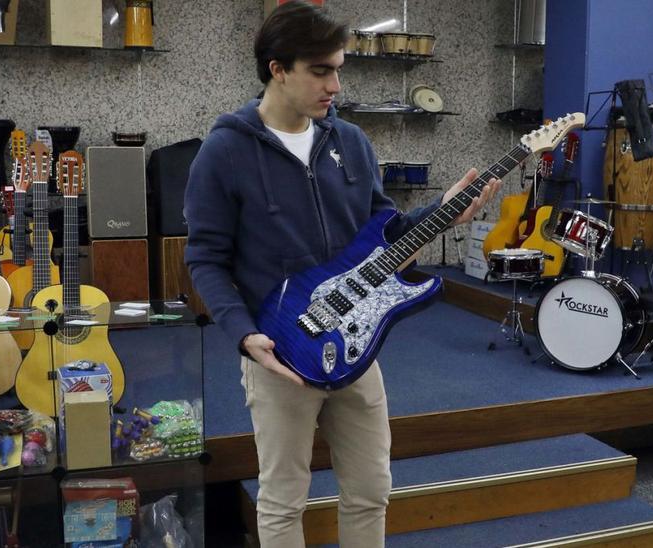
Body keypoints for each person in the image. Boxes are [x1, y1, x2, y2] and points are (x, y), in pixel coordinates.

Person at [184, 2, 500, 545]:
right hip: (279, 352)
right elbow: (205, 257)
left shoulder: (350, 142)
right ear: (277, 68)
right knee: (283, 499)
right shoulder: (224, 151)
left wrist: (445, 209)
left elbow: (385, 235)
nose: (335, 84)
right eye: (321, 70)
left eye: (339, 68)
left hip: (359, 343)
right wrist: (244, 335)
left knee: (372, 488)